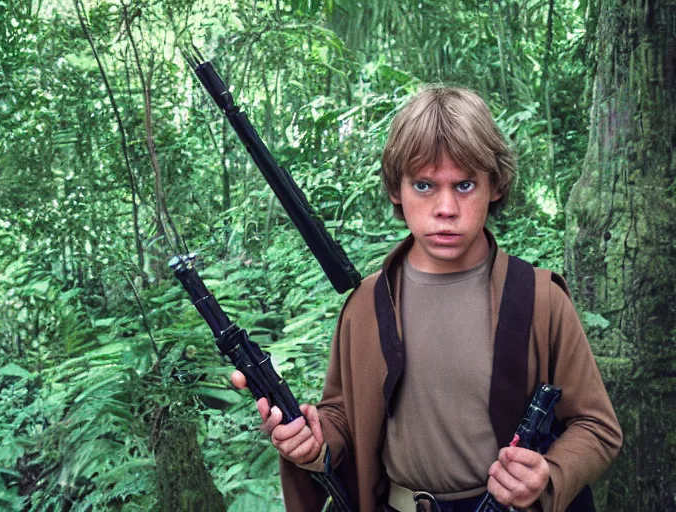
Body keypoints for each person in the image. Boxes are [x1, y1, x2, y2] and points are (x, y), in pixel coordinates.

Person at [231, 86, 622, 512]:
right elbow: (343, 419)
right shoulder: (367, 304)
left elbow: (597, 427)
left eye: (465, 185)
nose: (446, 207)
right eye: (424, 185)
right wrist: (312, 441)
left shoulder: (539, 298)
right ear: (397, 189)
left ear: (495, 185)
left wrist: (547, 473)